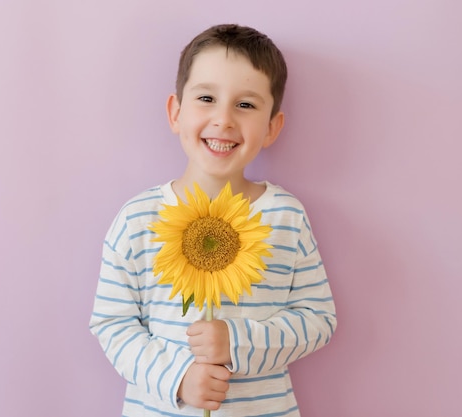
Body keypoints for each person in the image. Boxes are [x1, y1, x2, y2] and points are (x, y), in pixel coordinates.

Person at [89, 23, 337, 416]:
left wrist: (237, 343)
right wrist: (178, 378)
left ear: (272, 126)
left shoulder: (285, 217)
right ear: (175, 112)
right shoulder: (138, 220)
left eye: (246, 104)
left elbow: (318, 317)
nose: (223, 120)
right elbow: (112, 324)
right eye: (206, 97)